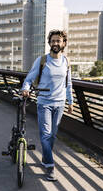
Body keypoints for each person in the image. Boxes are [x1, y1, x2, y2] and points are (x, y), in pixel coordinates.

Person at [21, 29, 73, 181]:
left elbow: (68, 83)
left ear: (64, 43)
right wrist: (25, 89)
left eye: (59, 40)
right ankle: (50, 166)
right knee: (45, 135)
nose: (56, 43)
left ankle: (45, 159)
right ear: (49, 43)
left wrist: (71, 101)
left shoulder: (66, 62)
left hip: (60, 103)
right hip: (44, 102)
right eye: (53, 41)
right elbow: (30, 78)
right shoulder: (42, 60)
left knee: (52, 136)